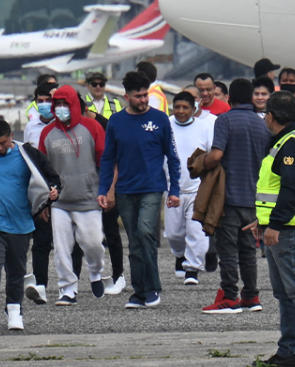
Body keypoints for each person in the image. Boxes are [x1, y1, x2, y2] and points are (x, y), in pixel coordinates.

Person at [247, 92, 295, 367]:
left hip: (290, 228)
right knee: (285, 292)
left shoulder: (290, 144)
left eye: (265, 114)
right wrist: (264, 221)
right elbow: (277, 189)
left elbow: (291, 190)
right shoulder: (289, 139)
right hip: (283, 226)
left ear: (271, 116)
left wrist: (275, 224)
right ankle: (288, 348)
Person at [97, 70, 181, 309]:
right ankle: (139, 291)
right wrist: (104, 189)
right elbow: (108, 158)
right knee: (134, 240)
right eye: (138, 96)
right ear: (127, 97)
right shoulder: (116, 122)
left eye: (146, 95)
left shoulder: (160, 119)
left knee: (145, 231)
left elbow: (172, 157)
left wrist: (174, 189)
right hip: (125, 190)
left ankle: (153, 287)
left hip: (152, 187)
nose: (143, 100)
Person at [0, 120, 60, 331]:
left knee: (16, 271)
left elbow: (50, 177)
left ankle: (14, 311)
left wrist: (53, 192)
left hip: (21, 223)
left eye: (3, 143)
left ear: (11, 136)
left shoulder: (27, 154)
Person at [201, 78, 266, 314]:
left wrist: (201, 163)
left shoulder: (225, 120)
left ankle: (229, 296)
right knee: (248, 249)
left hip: (228, 197)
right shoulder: (262, 124)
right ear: (251, 98)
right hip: (254, 198)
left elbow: (217, 155)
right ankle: (251, 296)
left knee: (227, 249)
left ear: (229, 98)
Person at [39, 85, 108, 303]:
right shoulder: (47, 133)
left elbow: (105, 161)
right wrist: (44, 201)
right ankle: (67, 288)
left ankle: (96, 272)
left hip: (88, 199)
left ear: (74, 104)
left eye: (65, 104)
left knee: (93, 243)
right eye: (57, 104)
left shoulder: (92, 127)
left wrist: (106, 191)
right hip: (59, 201)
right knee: (61, 248)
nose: (61, 108)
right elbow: (41, 169)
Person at [164, 91, 213, 285]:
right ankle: (180, 254)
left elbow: (212, 153)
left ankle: (193, 269)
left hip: (197, 188)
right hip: (172, 188)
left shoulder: (204, 127)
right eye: (177, 107)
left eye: (185, 107)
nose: (181, 111)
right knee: (173, 233)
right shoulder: (166, 125)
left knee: (196, 231)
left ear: (194, 109)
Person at [23, 79, 60, 304]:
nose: (44, 104)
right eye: (40, 101)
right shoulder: (31, 127)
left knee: (69, 242)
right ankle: (40, 285)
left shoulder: (62, 124)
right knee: (41, 241)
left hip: (63, 186)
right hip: (41, 188)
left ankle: (70, 284)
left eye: (49, 100)